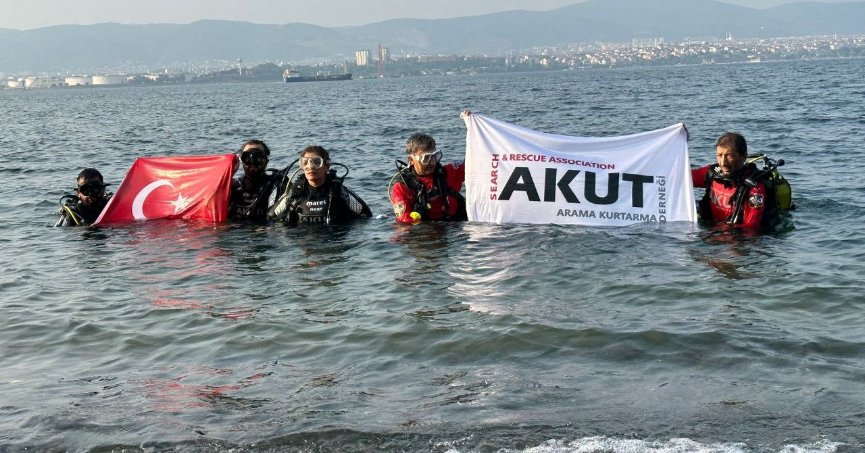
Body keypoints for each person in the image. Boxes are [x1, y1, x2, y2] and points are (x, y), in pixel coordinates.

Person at [691, 132, 781, 231]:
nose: (723, 162)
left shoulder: (755, 188)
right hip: (714, 230)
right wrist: (681, 136)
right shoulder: (712, 173)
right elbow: (680, 179)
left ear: (743, 156)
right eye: (719, 155)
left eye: (729, 155)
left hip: (737, 238)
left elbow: (751, 227)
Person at [268, 145, 371, 225]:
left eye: (317, 162)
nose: (310, 166)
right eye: (305, 163)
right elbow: (271, 217)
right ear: (302, 167)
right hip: (303, 244)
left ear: (327, 166)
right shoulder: (295, 192)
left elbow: (366, 215)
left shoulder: (337, 191)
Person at [389, 128, 467, 224]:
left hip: (456, 224)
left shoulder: (448, 172)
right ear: (411, 160)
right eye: (426, 158)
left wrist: (471, 126)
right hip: (426, 230)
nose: (432, 163)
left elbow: (476, 162)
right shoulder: (402, 187)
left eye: (434, 156)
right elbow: (404, 222)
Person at [229, 139, 284, 222]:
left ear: (266, 161)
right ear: (242, 161)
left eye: (258, 157)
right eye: (247, 157)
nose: (252, 162)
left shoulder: (276, 185)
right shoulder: (233, 185)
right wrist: (230, 173)